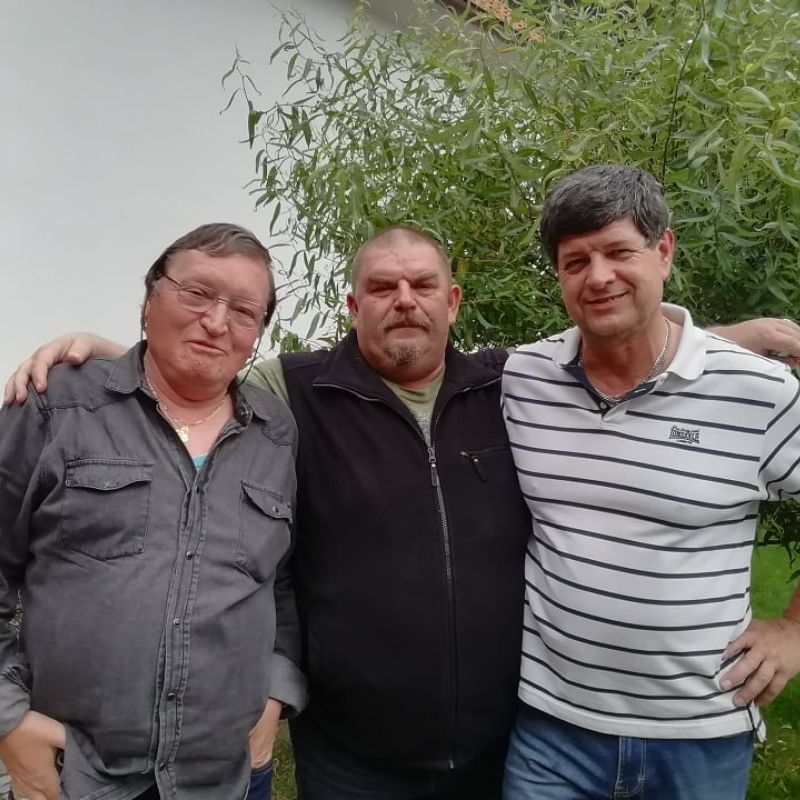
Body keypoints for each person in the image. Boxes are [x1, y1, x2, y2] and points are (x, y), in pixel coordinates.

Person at [4, 226, 800, 800]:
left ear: (453, 302)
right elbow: (200, 368)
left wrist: (743, 336)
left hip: (495, 744)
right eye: (383, 288)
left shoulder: (510, 385)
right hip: (351, 756)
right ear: (354, 305)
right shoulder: (295, 392)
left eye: (423, 286)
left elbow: (616, 344)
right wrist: (105, 352)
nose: (404, 302)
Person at [501, 164, 800, 800]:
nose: (598, 276)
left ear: (663, 252)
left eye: (619, 252)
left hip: (701, 736)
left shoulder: (759, 392)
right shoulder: (523, 380)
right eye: (576, 261)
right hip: (552, 730)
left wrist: (795, 630)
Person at [0, 223, 305, 800]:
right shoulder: (57, 405)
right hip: (75, 777)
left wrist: (275, 693)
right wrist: (9, 720)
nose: (217, 322)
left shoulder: (275, 434)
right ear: (148, 300)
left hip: (228, 777)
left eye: (244, 311)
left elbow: (280, 578)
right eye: (197, 294)